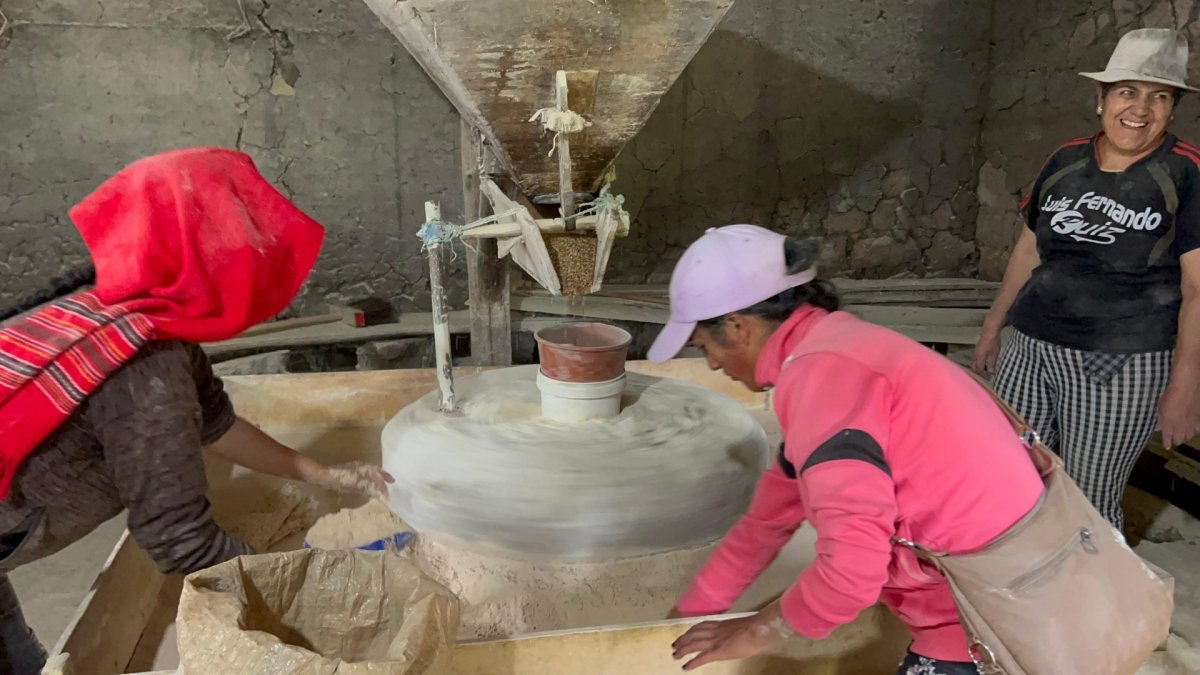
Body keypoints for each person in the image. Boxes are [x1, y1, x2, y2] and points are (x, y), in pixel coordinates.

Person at [0, 148, 393, 673]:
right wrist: (304, 579)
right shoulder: (143, 368)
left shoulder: (126, 307)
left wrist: (321, 473)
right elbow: (180, 541)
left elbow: (217, 424)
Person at [647, 225, 1044, 675]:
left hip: (992, 628)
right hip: (1014, 594)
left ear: (739, 328)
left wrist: (754, 631)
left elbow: (851, 574)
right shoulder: (836, 348)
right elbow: (767, 521)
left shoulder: (826, 382)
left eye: (704, 347)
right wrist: (684, 620)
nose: (712, 364)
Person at [973, 27, 1200, 530]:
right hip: (1030, 347)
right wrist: (993, 327)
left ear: (1172, 109)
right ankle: (1021, 573)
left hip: (1122, 361)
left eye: (1159, 96)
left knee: (1088, 500)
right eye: (1127, 91)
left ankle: (1089, 582)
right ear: (1102, 98)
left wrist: (1187, 385)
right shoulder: (1066, 159)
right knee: (1007, 473)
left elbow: (1197, 288)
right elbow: (1028, 248)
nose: (1140, 108)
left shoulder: (1187, 173)